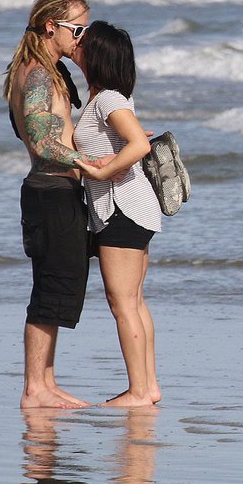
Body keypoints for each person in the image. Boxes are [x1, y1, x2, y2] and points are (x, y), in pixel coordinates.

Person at [4, 0, 104, 410]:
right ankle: (34, 388)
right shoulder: (40, 75)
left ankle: (45, 382)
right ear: (51, 27)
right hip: (51, 192)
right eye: (77, 29)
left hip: (52, 191)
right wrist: (97, 164)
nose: (82, 38)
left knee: (56, 287)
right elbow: (45, 141)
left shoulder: (38, 70)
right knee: (50, 290)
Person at [73, 21, 164, 408]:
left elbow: (140, 143)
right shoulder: (108, 97)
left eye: (82, 40)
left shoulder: (108, 99)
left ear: (97, 56)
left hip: (122, 209)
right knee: (135, 301)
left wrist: (100, 170)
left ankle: (139, 391)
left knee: (122, 302)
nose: (75, 44)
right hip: (134, 208)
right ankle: (149, 387)